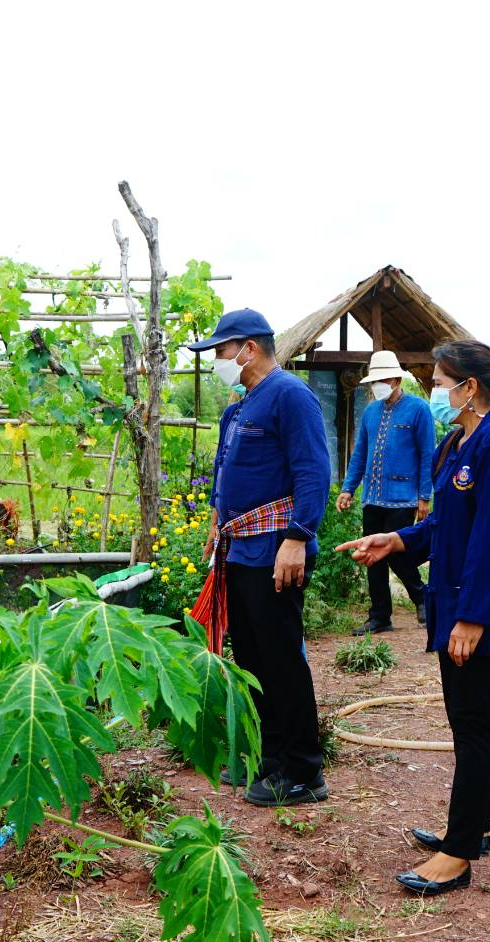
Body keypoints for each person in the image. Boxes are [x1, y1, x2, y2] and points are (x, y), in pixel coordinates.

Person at [336, 339, 490, 897]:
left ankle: (458, 853)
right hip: (457, 597)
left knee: (473, 723)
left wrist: (473, 617)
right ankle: (469, 829)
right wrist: (396, 539)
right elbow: (447, 527)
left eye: (438, 380)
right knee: (464, 720)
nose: (434, 390)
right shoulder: (460, 439)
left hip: (483, 608)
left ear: (469, 386)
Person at [188, 308, 332, 806]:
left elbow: (313, 471)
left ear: (248, 349)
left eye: (220, 351)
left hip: (275, 550)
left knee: (281, 659)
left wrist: (297, 537)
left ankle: (303, 771)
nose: (216, 360)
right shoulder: (241, 406)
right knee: (251, 658)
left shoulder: (290, 397)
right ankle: (267, 758)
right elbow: (223, 471)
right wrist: (213, 520)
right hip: (240, 550)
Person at [337, 350, 434, 634]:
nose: (375, 386)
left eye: (380, 380)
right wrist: (348, 489)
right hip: (372, 497)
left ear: (394, 379)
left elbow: (428, 455)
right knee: (370, 555)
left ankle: (422, 595)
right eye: (373, 381)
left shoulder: (418, 409)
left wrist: (424, 496)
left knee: (395, 552)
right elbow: (359, 454)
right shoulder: (370, 412)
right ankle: (380, 615)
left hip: (403, 497)